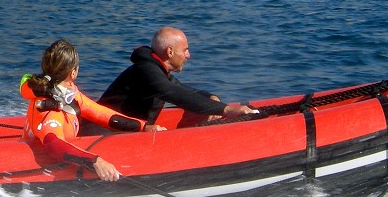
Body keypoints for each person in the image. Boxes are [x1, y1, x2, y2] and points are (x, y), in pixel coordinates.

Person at [21, 38, 159, 181]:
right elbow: (53, 144)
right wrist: (95, 161)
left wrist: (143, 127)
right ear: (73, 73)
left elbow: (103, 114)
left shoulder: (71, 96)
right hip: (40, 169)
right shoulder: (50, 110)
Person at [98, 26, 257, 127]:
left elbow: (183, 90)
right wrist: (227, 110)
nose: (188, 55)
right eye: (185, 50)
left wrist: (211, 98)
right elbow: (174, 94)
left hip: (126, 131)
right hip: (101, 135)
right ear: (170, 52)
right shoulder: (145, 71)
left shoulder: (156, 70)